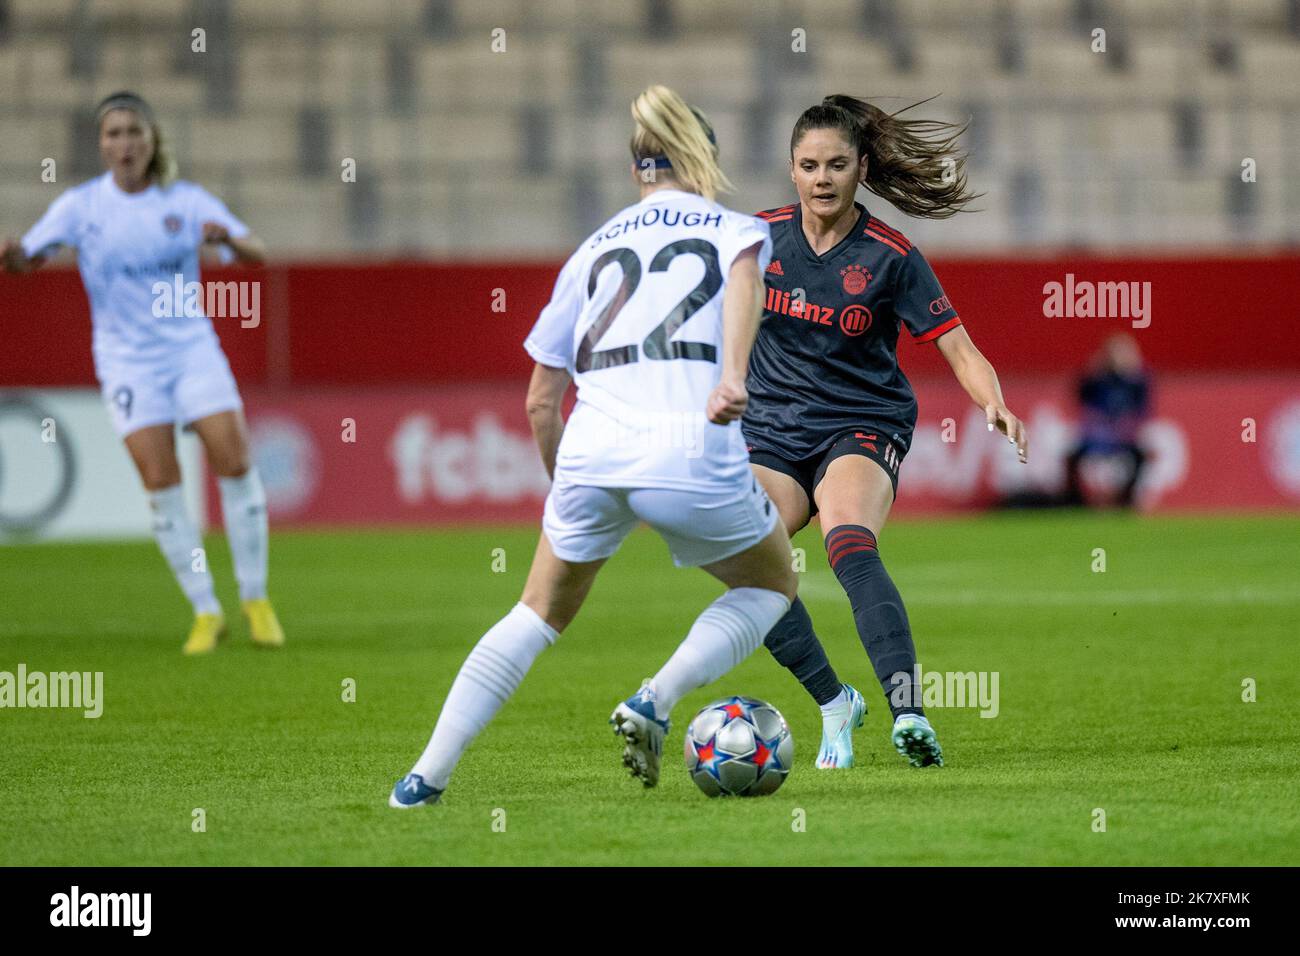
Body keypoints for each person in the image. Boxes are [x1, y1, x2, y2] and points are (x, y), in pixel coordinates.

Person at [390, 85, 796, 807]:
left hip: (590, 446)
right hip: (691, 442)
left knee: (536, 612)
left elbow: (539, 399)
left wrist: (565, 486)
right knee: (769, 584)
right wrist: (732, 375)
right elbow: (744, 288)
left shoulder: (590, 250)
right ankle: (656, 697)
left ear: (637, 165)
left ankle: (424, 779)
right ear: (704, 158)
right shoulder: (734, 228)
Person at [743, 95, 1029, 769]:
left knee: (848, 543)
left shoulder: (890, 256)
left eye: (836, 164)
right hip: (773, 429)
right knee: (746, 558)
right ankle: (834, 700)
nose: (822, 177)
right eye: (809, 165)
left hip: (861, 423)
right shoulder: (755, 238)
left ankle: (908, 712)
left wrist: (995, 402)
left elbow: (957, 346)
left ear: (861, 167)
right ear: (791, 170)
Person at [1, 91, 283, 654]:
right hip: (127, 360)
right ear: (101, 144)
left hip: (191, 349)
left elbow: (258, 252)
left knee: (236, 461)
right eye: (114, 133)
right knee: (160, 481)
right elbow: (29, 260)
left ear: (152, 141)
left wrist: (226, 237)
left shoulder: (184, 200)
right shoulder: (81, 207)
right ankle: (206, 610)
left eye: (134, 132)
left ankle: (255, 599)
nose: (124, 143)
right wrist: (12, 256)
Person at [1062, 334, 1151, 507]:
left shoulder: (1137, 380)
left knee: (1139, 456)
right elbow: (1080, 396)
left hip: (1123, 435)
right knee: (1073, 457)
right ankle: (1075, 500)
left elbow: (1143, 409)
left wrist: (1132, 374)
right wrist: (1093, 372)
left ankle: (1127, 500)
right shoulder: (1098, 379)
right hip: (1099, 434)